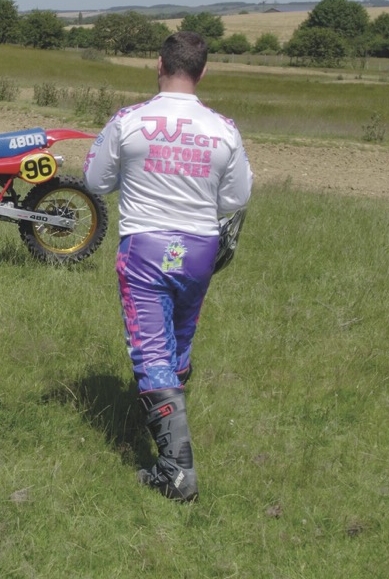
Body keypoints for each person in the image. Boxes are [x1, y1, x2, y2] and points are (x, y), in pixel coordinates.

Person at [83, 30, 253, 502]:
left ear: (159, 64)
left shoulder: (128, 121)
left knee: (150, 353)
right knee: (179, 340)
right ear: (203, 71)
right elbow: (237, 197)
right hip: (199, 248)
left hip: (146, 247)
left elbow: (96, 180)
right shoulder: (224, 128)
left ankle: (177, 472)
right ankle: (168, 417)